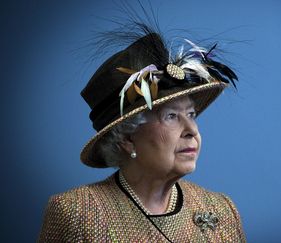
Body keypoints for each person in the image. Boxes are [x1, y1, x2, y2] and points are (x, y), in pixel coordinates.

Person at [38, 22, 246, 242]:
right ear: (127, 138)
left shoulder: (222, 211)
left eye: (191, 114)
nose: (192, 130)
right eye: (171, 116)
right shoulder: (77, 214)